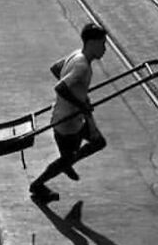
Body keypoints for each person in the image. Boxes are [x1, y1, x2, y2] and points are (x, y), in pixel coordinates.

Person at [29, 23, 108, 204]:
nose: (104, 49)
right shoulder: (82, 66)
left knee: (98, 142)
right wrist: (81, 104)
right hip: (67, 124)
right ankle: (38, 185)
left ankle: (67, 162)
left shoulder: (76, 55)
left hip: (68, 119)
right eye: (102, 44)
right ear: (92, 43)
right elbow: (60, 87)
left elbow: (56, 68)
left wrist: (78, 91)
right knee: (70, 157)